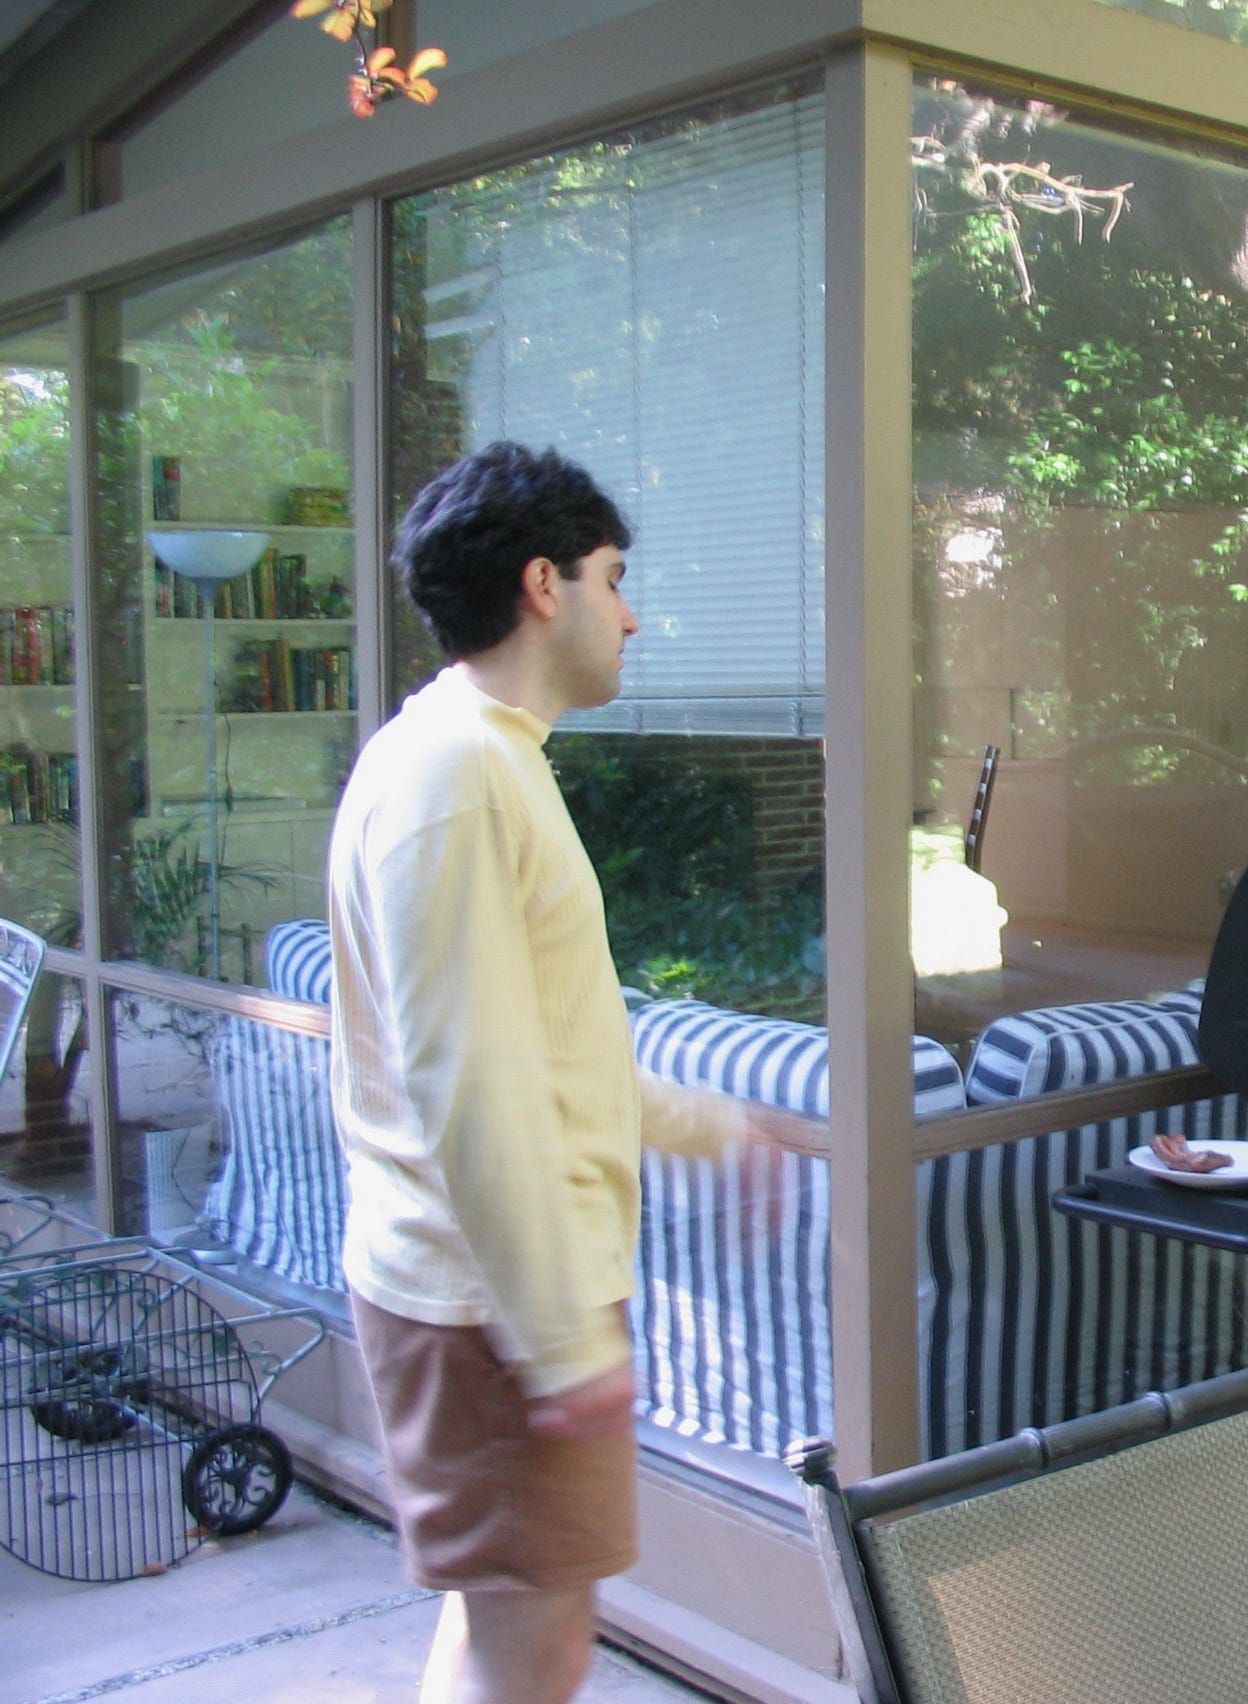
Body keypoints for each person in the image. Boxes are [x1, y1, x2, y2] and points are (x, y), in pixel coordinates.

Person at [329, 441, 759, 1702]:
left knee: (503, 1629)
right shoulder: (457, 774)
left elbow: (541, 1044)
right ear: (542, 585)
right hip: (483, 1309)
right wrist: (564, 1344)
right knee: (536, 1648)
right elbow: (474, 1091)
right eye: (614, 577)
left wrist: (703, 1126)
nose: (631, 613)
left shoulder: (480, 755)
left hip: (487, 1300)